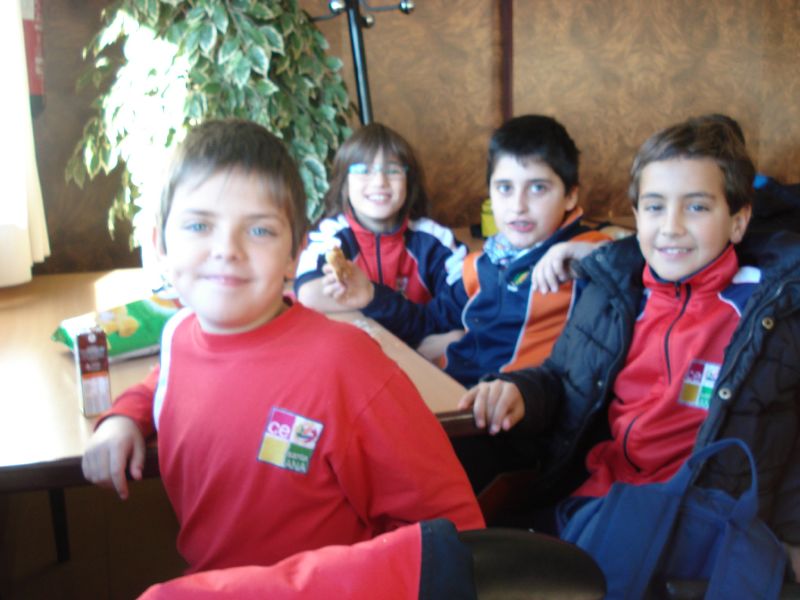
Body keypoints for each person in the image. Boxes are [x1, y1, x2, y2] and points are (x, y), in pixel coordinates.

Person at [81, 119, 484, 574]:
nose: (227, 250)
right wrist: (121, 419)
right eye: (198, 225)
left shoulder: (345, 366)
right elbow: (165, 382)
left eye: (259, 231)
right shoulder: (177, 335)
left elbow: (453, 529)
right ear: (160, 245)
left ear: (296, 254)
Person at [459, 115, 800, 578]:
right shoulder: (616, 291)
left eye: (697, 208)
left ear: (738, 222)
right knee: (462, 553)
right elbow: (560, 379)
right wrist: (519, 391)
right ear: (637, 218)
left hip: (687, 520)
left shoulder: (769, 312)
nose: (671, 227)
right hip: (594, 495)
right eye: (655, 207)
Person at [321, 115, 609, 387]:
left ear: (570, 196)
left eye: (537, 188)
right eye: (505, 188)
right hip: (457, 389)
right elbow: (428, 323)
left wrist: (591, 256)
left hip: (516, 407)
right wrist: (371, 295)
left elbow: (629, 266)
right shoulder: (480, 264)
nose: (518, 206)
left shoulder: (585, 256)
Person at [294, 122, 467, 313]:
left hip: (422, 330)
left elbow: (465, 303)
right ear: (344, 184)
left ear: (409, 183)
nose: (379, 182)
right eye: (363, 170)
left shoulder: (434, 239)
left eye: (392, 170)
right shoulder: (331, 237)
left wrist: (371, 296)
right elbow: (308, 294)